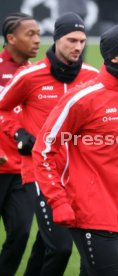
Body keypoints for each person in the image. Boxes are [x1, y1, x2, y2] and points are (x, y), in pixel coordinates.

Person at [31, 24, 118, 276]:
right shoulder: (82, 98)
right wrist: (58, 201)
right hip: (89, 213)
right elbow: (43, 150)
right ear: (114, 55)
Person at [0, 12, 98, 276]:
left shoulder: (92, 76)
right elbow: (3, 109)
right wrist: (17, 132)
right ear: (55, 40)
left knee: (47, 243)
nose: (78, 47)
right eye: (71, 40)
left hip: (79, 175)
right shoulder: (30, 76)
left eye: (82, 41)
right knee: (62, 246)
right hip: (39, 172)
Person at [0, 12, 40, 276]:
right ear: (11, 38)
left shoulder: (37, 74)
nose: (38, 40)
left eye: (38, 33)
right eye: (31, 34)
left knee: (21, 233)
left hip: (23, 170)